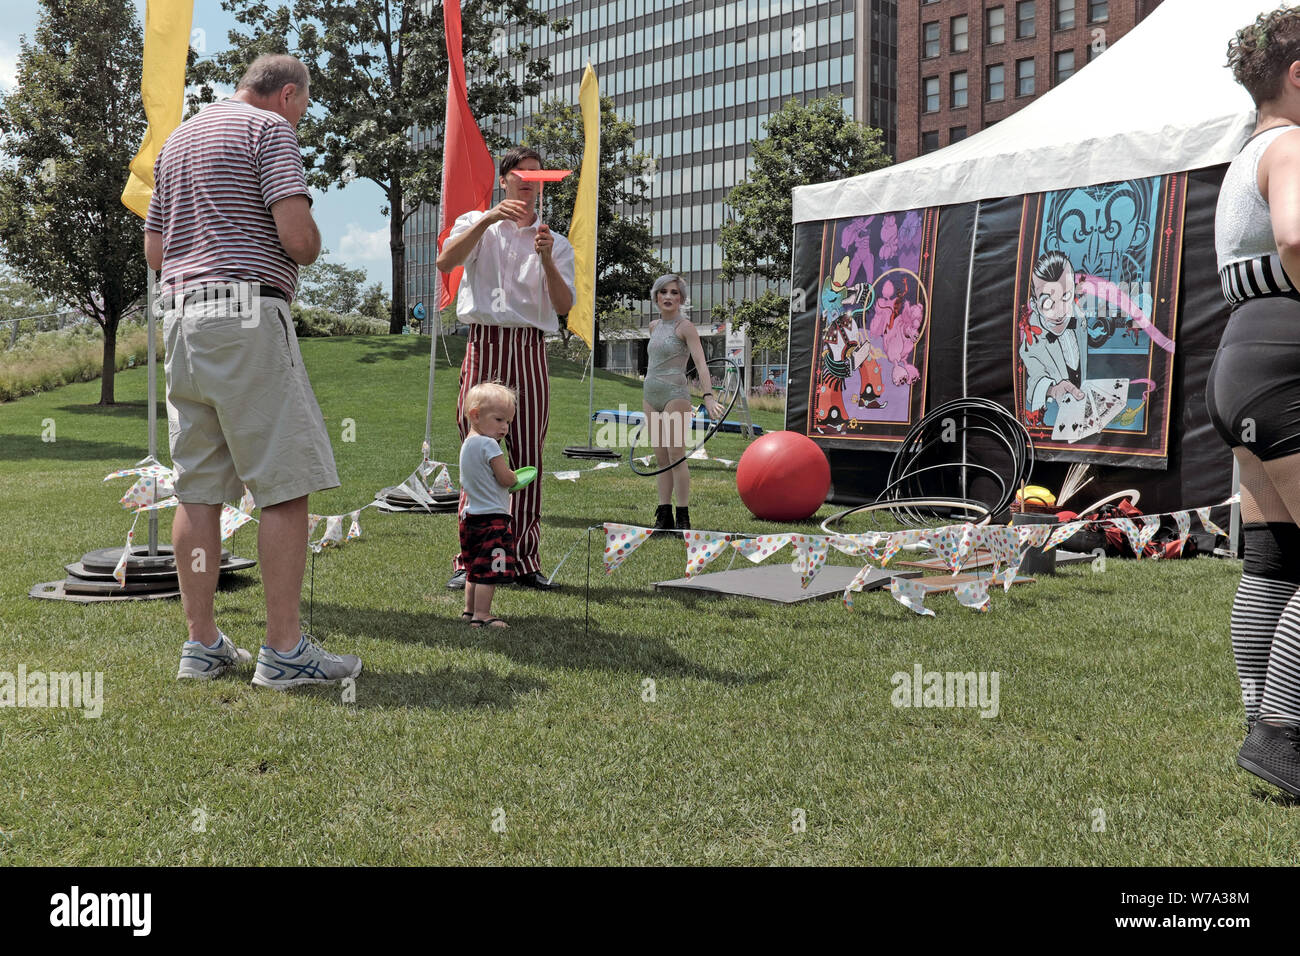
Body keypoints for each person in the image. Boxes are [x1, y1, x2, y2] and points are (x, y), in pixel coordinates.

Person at [145, 54, 361, 689]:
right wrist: (313, 238)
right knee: (282, 482)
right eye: (303, 106)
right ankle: (285, 651)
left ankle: (202, 644)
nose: (302, 118)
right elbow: (298, 238)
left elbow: (156, 250)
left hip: (182, 320)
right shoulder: (270, 132)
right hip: (246, 310)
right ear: (286, 95)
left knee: (198, 488)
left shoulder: (179, 137)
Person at [1208, 8, 1300, 796]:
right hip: (1289, 355)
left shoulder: (1244, 157)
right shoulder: (1296, 146)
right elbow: (1299, 240)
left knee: (1273, 559)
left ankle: (1259, 724)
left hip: (1241, 354)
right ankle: (1284, 733)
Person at [437, 146, 575, 591]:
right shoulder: (477, 225)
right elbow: (446, 261)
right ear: (506, 180)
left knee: (529, 455)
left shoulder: (555, 241)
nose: (530, 181)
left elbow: (564, 305)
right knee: (477, 453)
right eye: (522, 174)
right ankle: (470, 561)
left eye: (538, 175)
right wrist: (488, 218)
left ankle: (524, 560)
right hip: (486, 343)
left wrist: (548, 259)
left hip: (530, 347)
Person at [642, 274, 723, 532]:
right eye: (663, 292)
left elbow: (700, 363)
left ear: (681, 298)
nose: (668, 296)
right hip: (650, 395)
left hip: (675, 395)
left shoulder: (685, 327)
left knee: (677, 456)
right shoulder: (653, 326)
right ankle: (663, 515)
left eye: (674, 293)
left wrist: (708, 397)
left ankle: (683, 516)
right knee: (661, 458)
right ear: (656, 296)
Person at [457, 383, 522, 628]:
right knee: (489, 570)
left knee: (474, 567)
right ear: (475, 415)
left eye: (508, 421)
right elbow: (505, 478)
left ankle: (469, 610)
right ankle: (482, 616)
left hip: (470, 516)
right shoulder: (489, 445)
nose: (505, 427)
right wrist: (515, 477)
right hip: (492, 519)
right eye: (499, 420)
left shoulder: (468, 444)